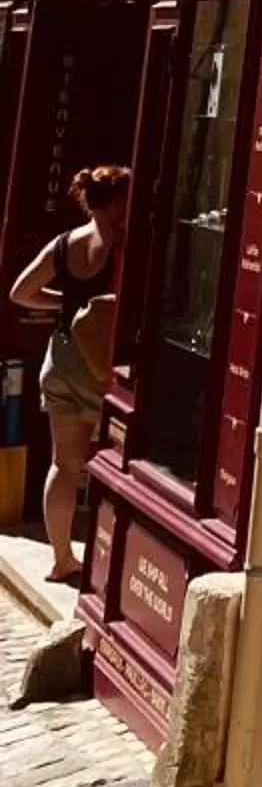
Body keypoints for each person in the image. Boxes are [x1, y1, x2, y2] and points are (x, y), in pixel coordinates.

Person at [8, 166, 128, 586]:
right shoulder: (127, 244)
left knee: (65, 463)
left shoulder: (64, 244)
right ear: (115, 202)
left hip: (62, 356)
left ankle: (61, 558)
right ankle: (112, 561)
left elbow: (21, 291)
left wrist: (68, 303)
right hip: (107, 363)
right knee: (115, 463)